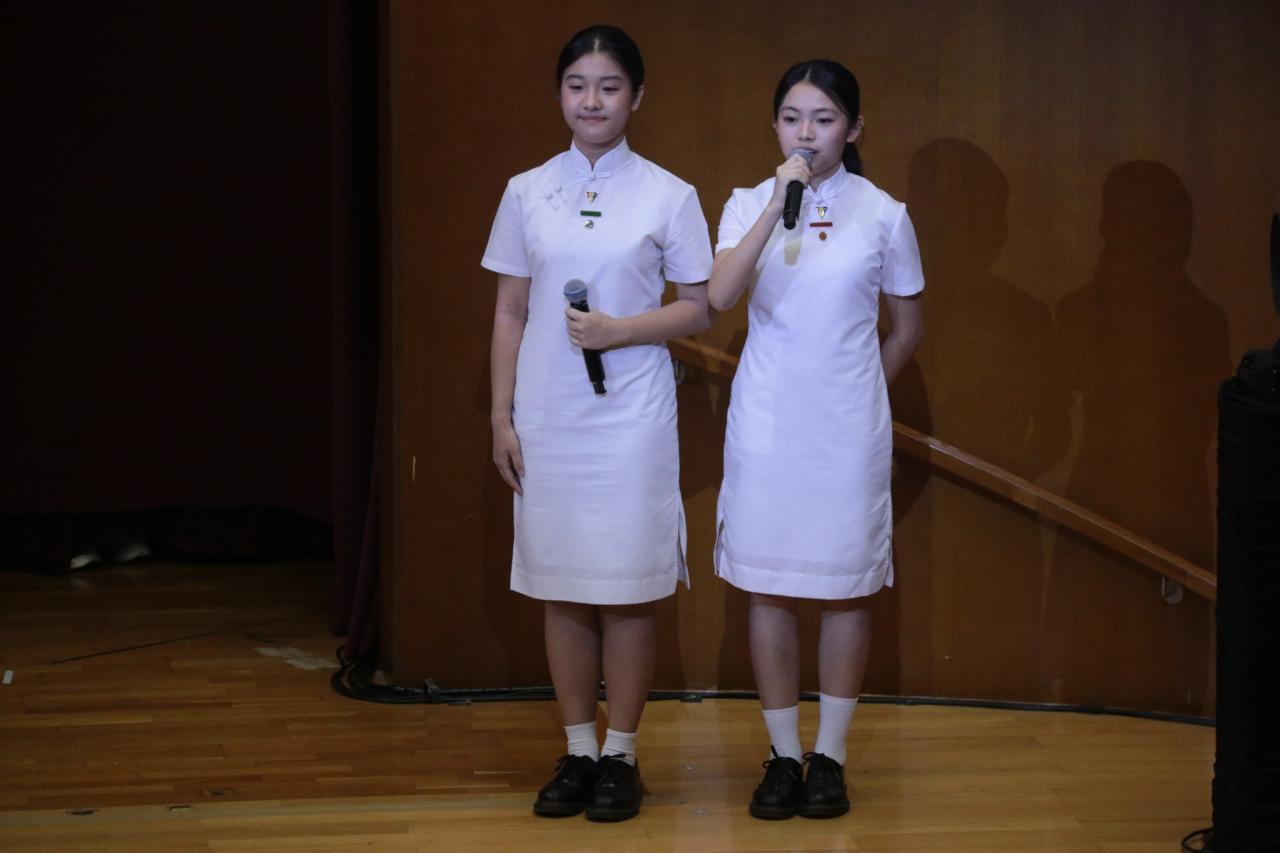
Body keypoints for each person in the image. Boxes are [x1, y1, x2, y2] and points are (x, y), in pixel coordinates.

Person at [482, 24, 713, 822]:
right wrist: (501, 414)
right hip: (549, 413)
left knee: (625, 587)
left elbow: (699, 306)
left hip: (631, 419)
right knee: (563, 586)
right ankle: (578, 749)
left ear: (636, 97)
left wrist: (620, 329)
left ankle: (621, 755)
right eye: (578, 85)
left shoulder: (669, 193)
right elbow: (510, 310)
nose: (592, 101)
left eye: (609, 86)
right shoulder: (526, 190)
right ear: (559, 94)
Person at [707, 59, 925, 819]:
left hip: (845, 432)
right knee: (767, 583)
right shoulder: (746, 203)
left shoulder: (885, 213)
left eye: (824, 119)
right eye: (793, 117)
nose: (807, 132)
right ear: (775, 125)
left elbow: (906, 330)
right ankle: (782, 754)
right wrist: (778, 202)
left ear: (854, 128)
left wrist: (856, 391)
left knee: (844, 586)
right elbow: (719, 294)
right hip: (766, 425)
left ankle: (829, 755)